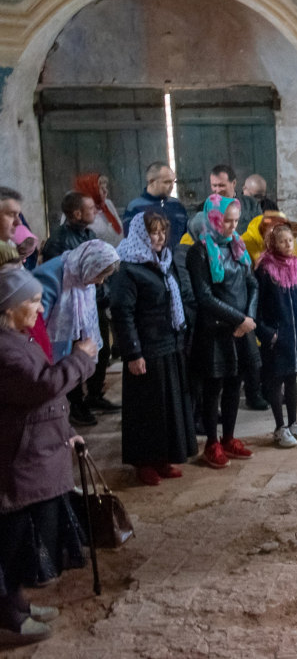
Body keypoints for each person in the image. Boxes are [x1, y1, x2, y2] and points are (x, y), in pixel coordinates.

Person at [0, 266, 98, 646]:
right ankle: (10, 617)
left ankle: (18, 606)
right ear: (10, 307)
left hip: (35, 454)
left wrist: (67, 433)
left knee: (22, 539)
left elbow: (42, 399)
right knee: (10, 544)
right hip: (18, 462)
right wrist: (82, 358)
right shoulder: (6, 351)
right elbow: (44, 386)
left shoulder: (16, 338)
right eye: (34, 301)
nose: (40, 310)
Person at [110, 213, 197, 486]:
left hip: (169, 345)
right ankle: (144, 462)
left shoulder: (165, 261)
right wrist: (133, 353)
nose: (159, 238)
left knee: (169, 405)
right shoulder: (128, 268)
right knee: (147, 410)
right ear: (139, 235)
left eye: (162, 232)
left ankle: (164, 457)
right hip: (146, 350)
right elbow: (122, 313)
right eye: (153, 233)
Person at [186, 195, 259, 469]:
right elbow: (204, 297)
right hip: (215, 331)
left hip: (242, 329)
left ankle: (229, 437)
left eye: (236, 221)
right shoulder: (200, 251)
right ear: (213, 218)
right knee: (213, 388)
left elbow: (253, 283)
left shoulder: (238, 246)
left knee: (234, 385)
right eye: (226, 221)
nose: (231, 226)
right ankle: (212, 443)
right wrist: (239, 319)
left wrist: (249, 317)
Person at [45, 239, 120, 427]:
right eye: (100, 275)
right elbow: (40, 317)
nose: (101, 281)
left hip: (72, 339)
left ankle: (82, 401)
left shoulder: (80, 273)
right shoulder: (53, 275)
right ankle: (73, 405)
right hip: (51, 340)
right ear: (91, 265)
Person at [255, 220, 297, 448]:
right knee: (275, 381)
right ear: (273, 244)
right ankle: (279, 428)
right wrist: (268, 334)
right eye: (282, 241)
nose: (287, 245)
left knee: (292, 379)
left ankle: (294, 424)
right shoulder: (264, 269)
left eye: (290, 240)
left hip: (296, 334)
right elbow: (257, 307)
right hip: (276, 336)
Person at [122, 162, 188, 248]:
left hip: (178, 258)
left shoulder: (177, 205)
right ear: (152, 182)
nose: (172, 186)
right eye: (167, 182)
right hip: (149, 259)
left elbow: (187, 235)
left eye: (173, 182)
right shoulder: (135, 207)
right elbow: (131, 240)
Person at [42, 191, 97, 261]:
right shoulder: (58, 242)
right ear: (77, 214)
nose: (95, 211)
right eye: (91, 208)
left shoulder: (89, 234)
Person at [207, 164, 261, 234]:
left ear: (234, 183)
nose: (217, 190)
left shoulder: (250, 204)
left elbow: (260, 231)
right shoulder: (204, 208)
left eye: (221, 185)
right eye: (214, 185)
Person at [73, 172, 122, 247]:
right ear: (90, 190)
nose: (106, 191)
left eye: (106, 187)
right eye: (101, 188)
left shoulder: (107, 204)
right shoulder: (77, 211)